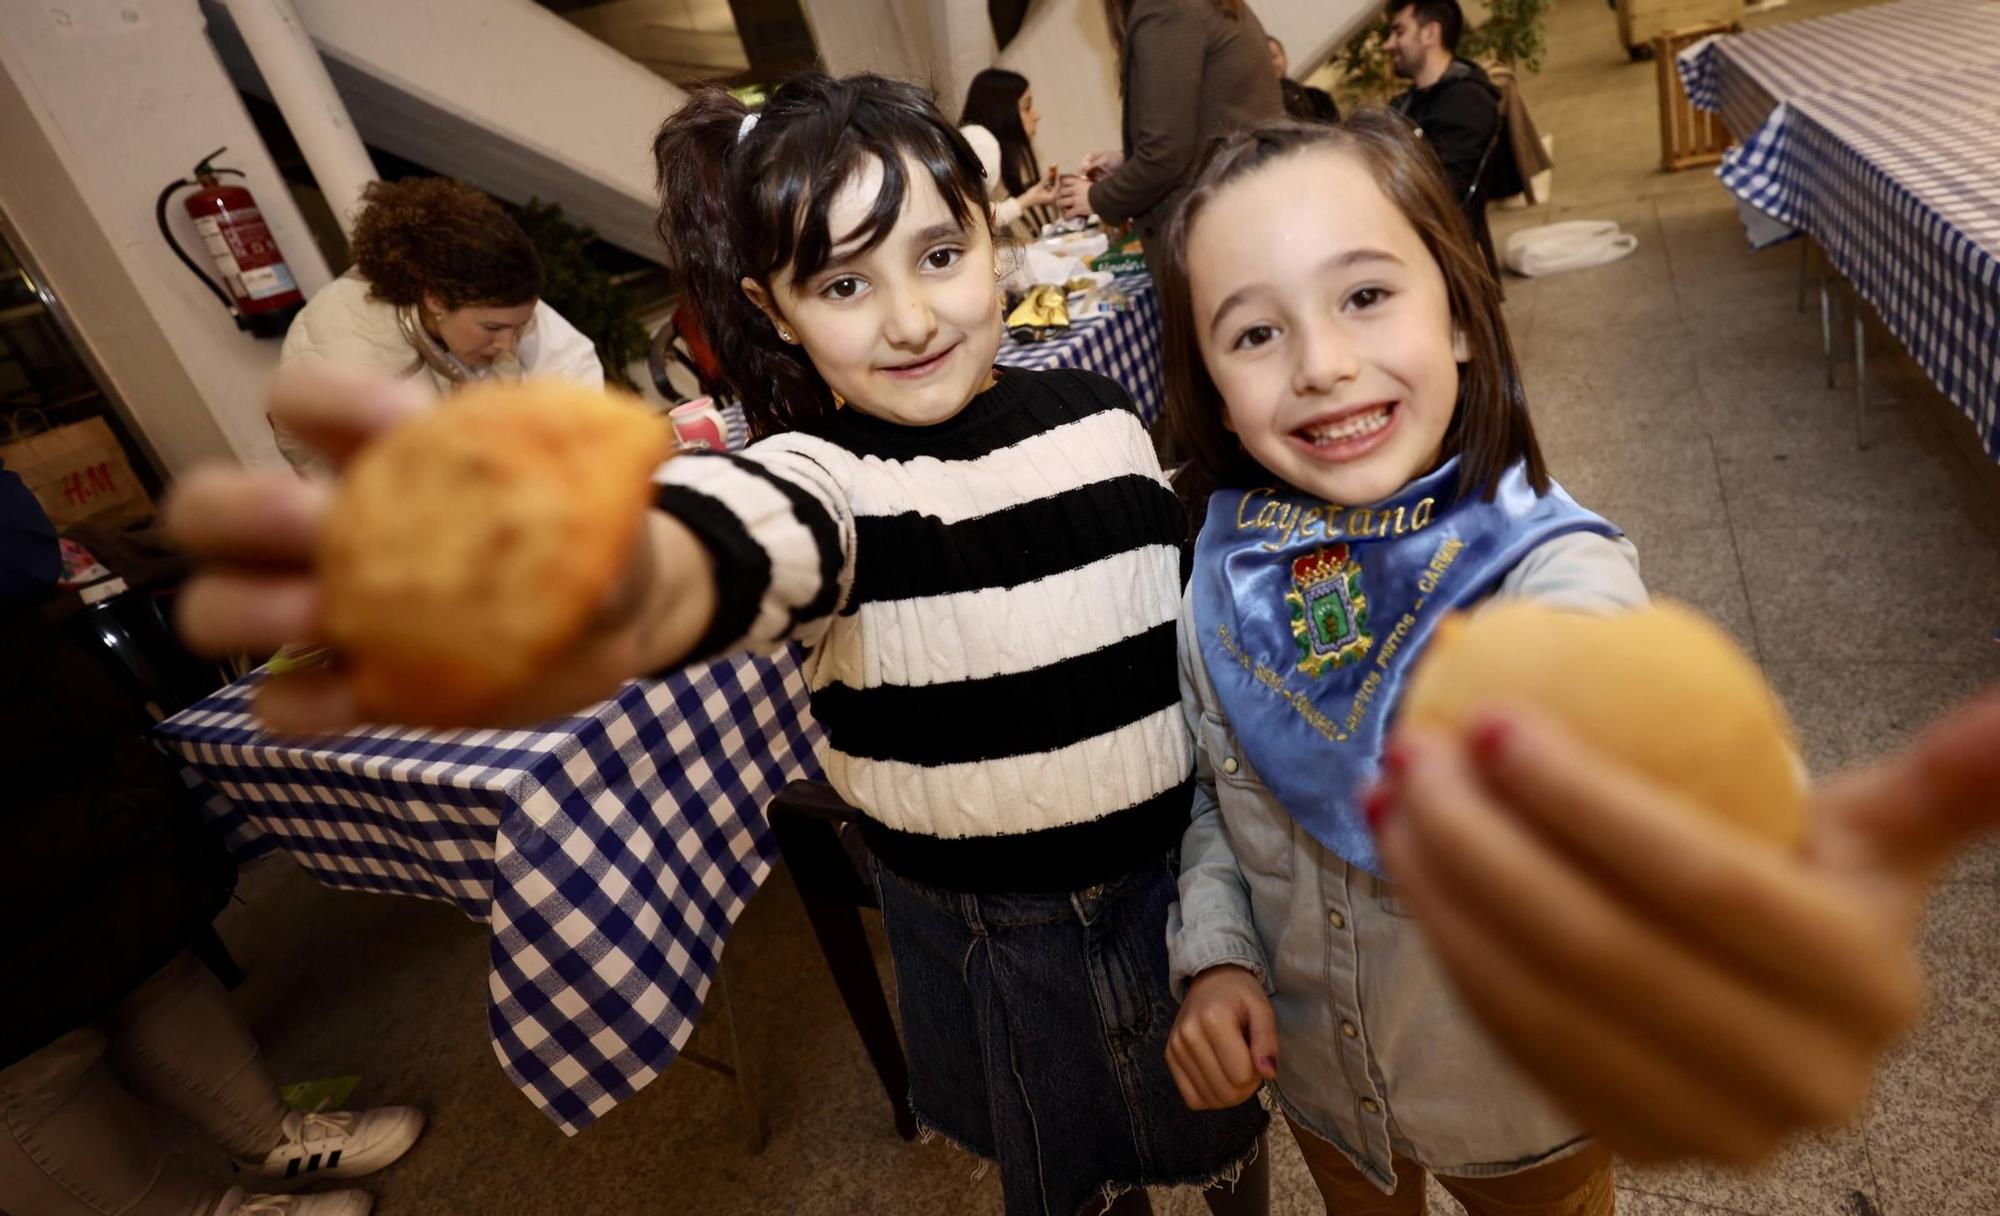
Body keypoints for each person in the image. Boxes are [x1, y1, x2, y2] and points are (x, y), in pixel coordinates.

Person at [164, 73, 1269, 1216]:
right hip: (993, 938)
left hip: (1173, 890)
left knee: (1229, 1137)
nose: (908, 318)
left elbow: (1178, 649)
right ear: (775, 309)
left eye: (938, 256)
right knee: (1070, 1172)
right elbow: (752, 532)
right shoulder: (821, 477)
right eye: (844, 281)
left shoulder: (1100, 420)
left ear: (990, 237)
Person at [1148, 113, 2000, 1213]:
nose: (1321, 363)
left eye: (1364, 295)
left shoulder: (1539, 566)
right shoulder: (1227, 580)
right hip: (1323, 1095)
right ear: (1212, 386)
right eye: (1253, 333)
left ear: (1457, 315)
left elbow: (1620, 716)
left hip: (1516, 1112)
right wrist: (1216, 956)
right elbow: (1219, 802)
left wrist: (1739, 877)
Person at [0, 460, 425, 1216]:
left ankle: (271, 1135)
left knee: (143, 945)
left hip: (28, 709)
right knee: (30, 1062)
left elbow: (19, 546)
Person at [274, 177, 603, 477]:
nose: (507, 343)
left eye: (518, 327)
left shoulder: (485, 295)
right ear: (436, 300)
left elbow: (571, 372)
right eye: (493, 328)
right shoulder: (353, 364)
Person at [1059, 0, 1281, 275]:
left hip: (1218, 228)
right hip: (1251, 208)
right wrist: (1127, 160)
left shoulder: (1164, 8)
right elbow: (1204, 120)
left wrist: (1095, 197)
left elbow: (1166, 154)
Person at [1384, 0, 1505, 278]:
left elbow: (1443, 194)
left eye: (1399, 32)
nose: (1388, 44)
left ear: (1430, 34)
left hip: (1451, 269)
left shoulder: (1467, 102)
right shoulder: (1407, 103)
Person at [958, 68, 1062, 237]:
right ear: (1003, 110)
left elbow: (980, 215)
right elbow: (974, 218)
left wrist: (1031, 197)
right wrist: (1028, 199)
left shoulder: (977, 138)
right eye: (1027, 107)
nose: (1036, 115)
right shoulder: (982, 143)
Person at [1266, 37, 1340, 123]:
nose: (1270, 64)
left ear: (1285, 59)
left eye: (1274, 56)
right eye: (1264, 60)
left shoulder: (1319, 98)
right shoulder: (1253, 111)